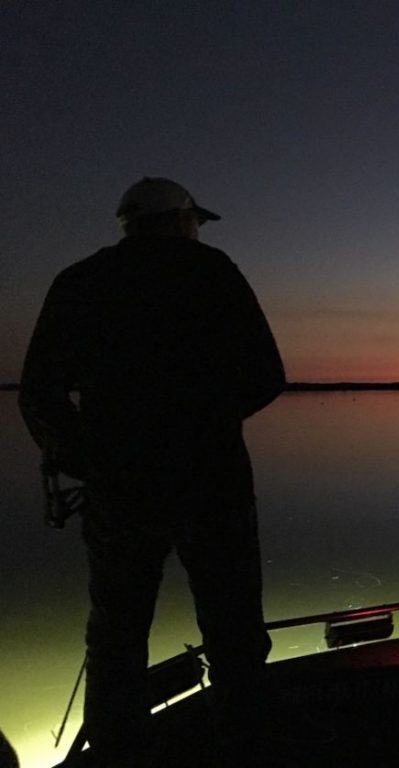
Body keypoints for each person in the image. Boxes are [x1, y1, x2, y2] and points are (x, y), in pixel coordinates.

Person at [19, 177, 285, 764]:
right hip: (212, 483)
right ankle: (246, 742)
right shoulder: (212, 273)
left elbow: (39, 393)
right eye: (196, 221)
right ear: (183, 218)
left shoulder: (80, 282)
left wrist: (89, 454)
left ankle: (118, 751)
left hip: (119, 490)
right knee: (234, 628)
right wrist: (203, 422)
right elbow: (267, 374)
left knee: (116, 632)